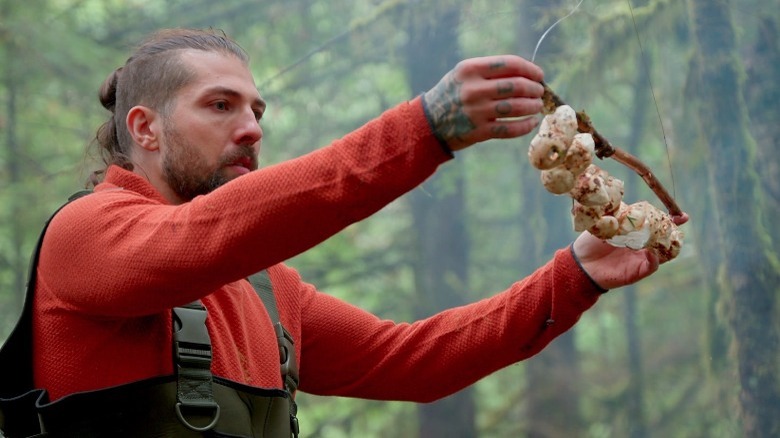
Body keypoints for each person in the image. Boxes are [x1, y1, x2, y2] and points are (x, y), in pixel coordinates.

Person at [19, 28, 685, 436]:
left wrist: (576, 276)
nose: (251, 128)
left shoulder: (266, 288)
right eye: (219, 106)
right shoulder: (84, 236)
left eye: (256, 109)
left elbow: (417, 361)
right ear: (145, 129)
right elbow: (202, 238)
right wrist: (423, 129)